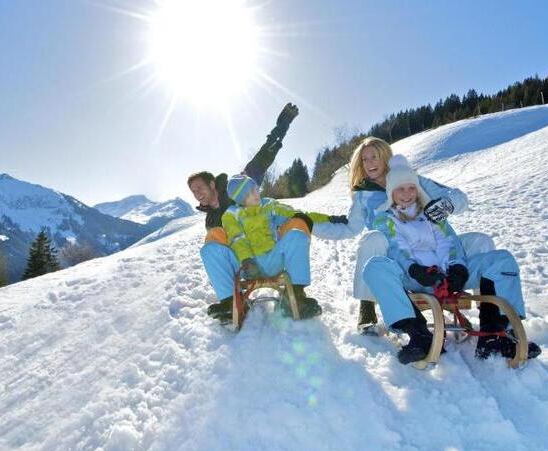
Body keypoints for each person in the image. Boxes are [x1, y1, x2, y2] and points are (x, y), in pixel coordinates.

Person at [362, 155, 541, 364]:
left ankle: (495, 335)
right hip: (415, 278)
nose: (407, 194)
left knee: (502, 260)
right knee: (374, 267)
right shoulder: (386, 218)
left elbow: (450, 242)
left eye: (411, 188)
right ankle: (419, 337)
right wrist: (415, 270)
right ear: (390, 192)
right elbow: (397, 249)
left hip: (448, 276)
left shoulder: (431, 213)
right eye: (400, 189)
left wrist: (458, 268)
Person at [312, 136, 495, 332]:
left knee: (481, 242)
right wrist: (311, 226)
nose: (369, 163)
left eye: (374, 157)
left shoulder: (411, 180)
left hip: (434, 250)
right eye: (364, 159)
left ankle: (489, 309)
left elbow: (458, 198)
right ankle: (367, 305)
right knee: (373, 239)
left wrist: (446, 205)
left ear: (385, 158)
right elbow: (349, 228)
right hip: (397, 256)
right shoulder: (363, 195)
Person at [188, 104, 299, 320]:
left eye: (199, 187)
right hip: (243, 261)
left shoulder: (237, 190)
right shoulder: (210, 219)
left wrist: (282, 126)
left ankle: (296, 294)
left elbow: (262, 159)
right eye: (193, 191)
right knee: (210, 248)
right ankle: (230, 303)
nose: (197, 193)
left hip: (265, 249)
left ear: (212, 184)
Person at [211, 174, 330, 320]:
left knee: (296, 235)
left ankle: (296, 298)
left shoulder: (269, 205)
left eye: (256, 189)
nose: (257, 193)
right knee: (210, 250)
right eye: (251, 192)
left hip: (272, 261)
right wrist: (246, 260)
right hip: (246, 267)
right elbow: (237, 238)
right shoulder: (231, 214)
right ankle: (229, 303)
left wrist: (329, 219)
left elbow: (294, 214)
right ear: (241, 199)